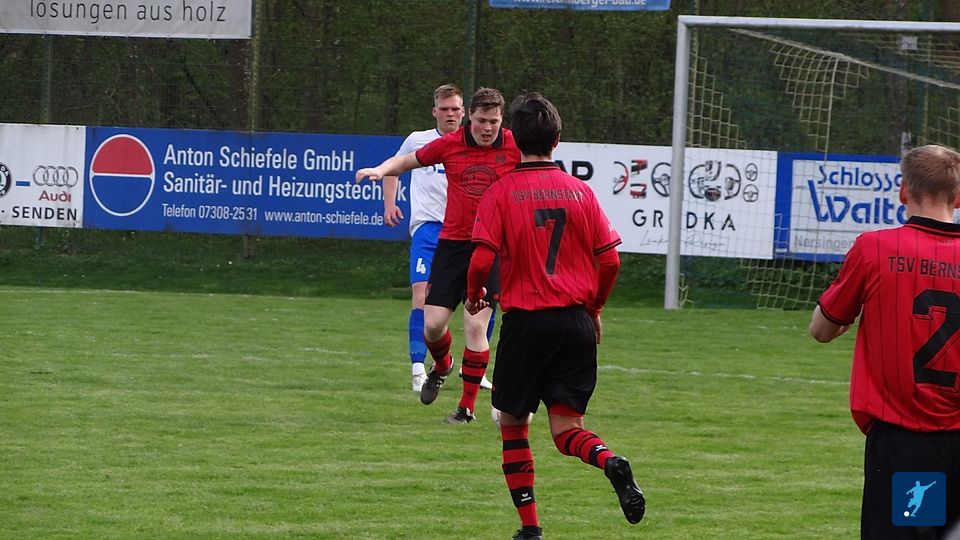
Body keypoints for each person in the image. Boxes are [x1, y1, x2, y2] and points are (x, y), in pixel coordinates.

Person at [464, 92, 645, 539]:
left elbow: (481, 260)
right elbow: (611, 260)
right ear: (558, 139)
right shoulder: (581, 192)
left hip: (526, 323)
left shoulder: (501, 191)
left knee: (513, 426)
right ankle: (609, 460)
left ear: (512, 138)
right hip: (574, 323)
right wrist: (594, 309)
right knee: (567, 431)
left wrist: (473, 297)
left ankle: (530, 530)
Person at [810, 144, 960, 539]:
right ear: (958, 197)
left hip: (907, 441)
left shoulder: (875, 248)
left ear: (903, 192)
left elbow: (822, 330)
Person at [356, 87, 520, 424]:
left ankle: (466, 408)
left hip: (491, 247)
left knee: (476, 326)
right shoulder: (451, 144)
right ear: (470, 118)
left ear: (502, 120)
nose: (487, 128)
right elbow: (406, 161)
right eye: (481, 120)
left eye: (494, 121)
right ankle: (443, 365)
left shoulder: (514, 146)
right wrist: (381, 169)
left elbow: (543, 165)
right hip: (452, 245)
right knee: (432, 326)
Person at [380, 83, 495, 393]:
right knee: (421, 297)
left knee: (485, 301)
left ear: (464, 112)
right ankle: (419, 368)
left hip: (472, 234)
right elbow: (395, 168)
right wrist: (390, 204)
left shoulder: (480, 144)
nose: (450, 114)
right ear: (435, 112)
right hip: (430, 230)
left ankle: (475, 369)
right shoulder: (419, 141)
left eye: (455, 109)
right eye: (444, 109)